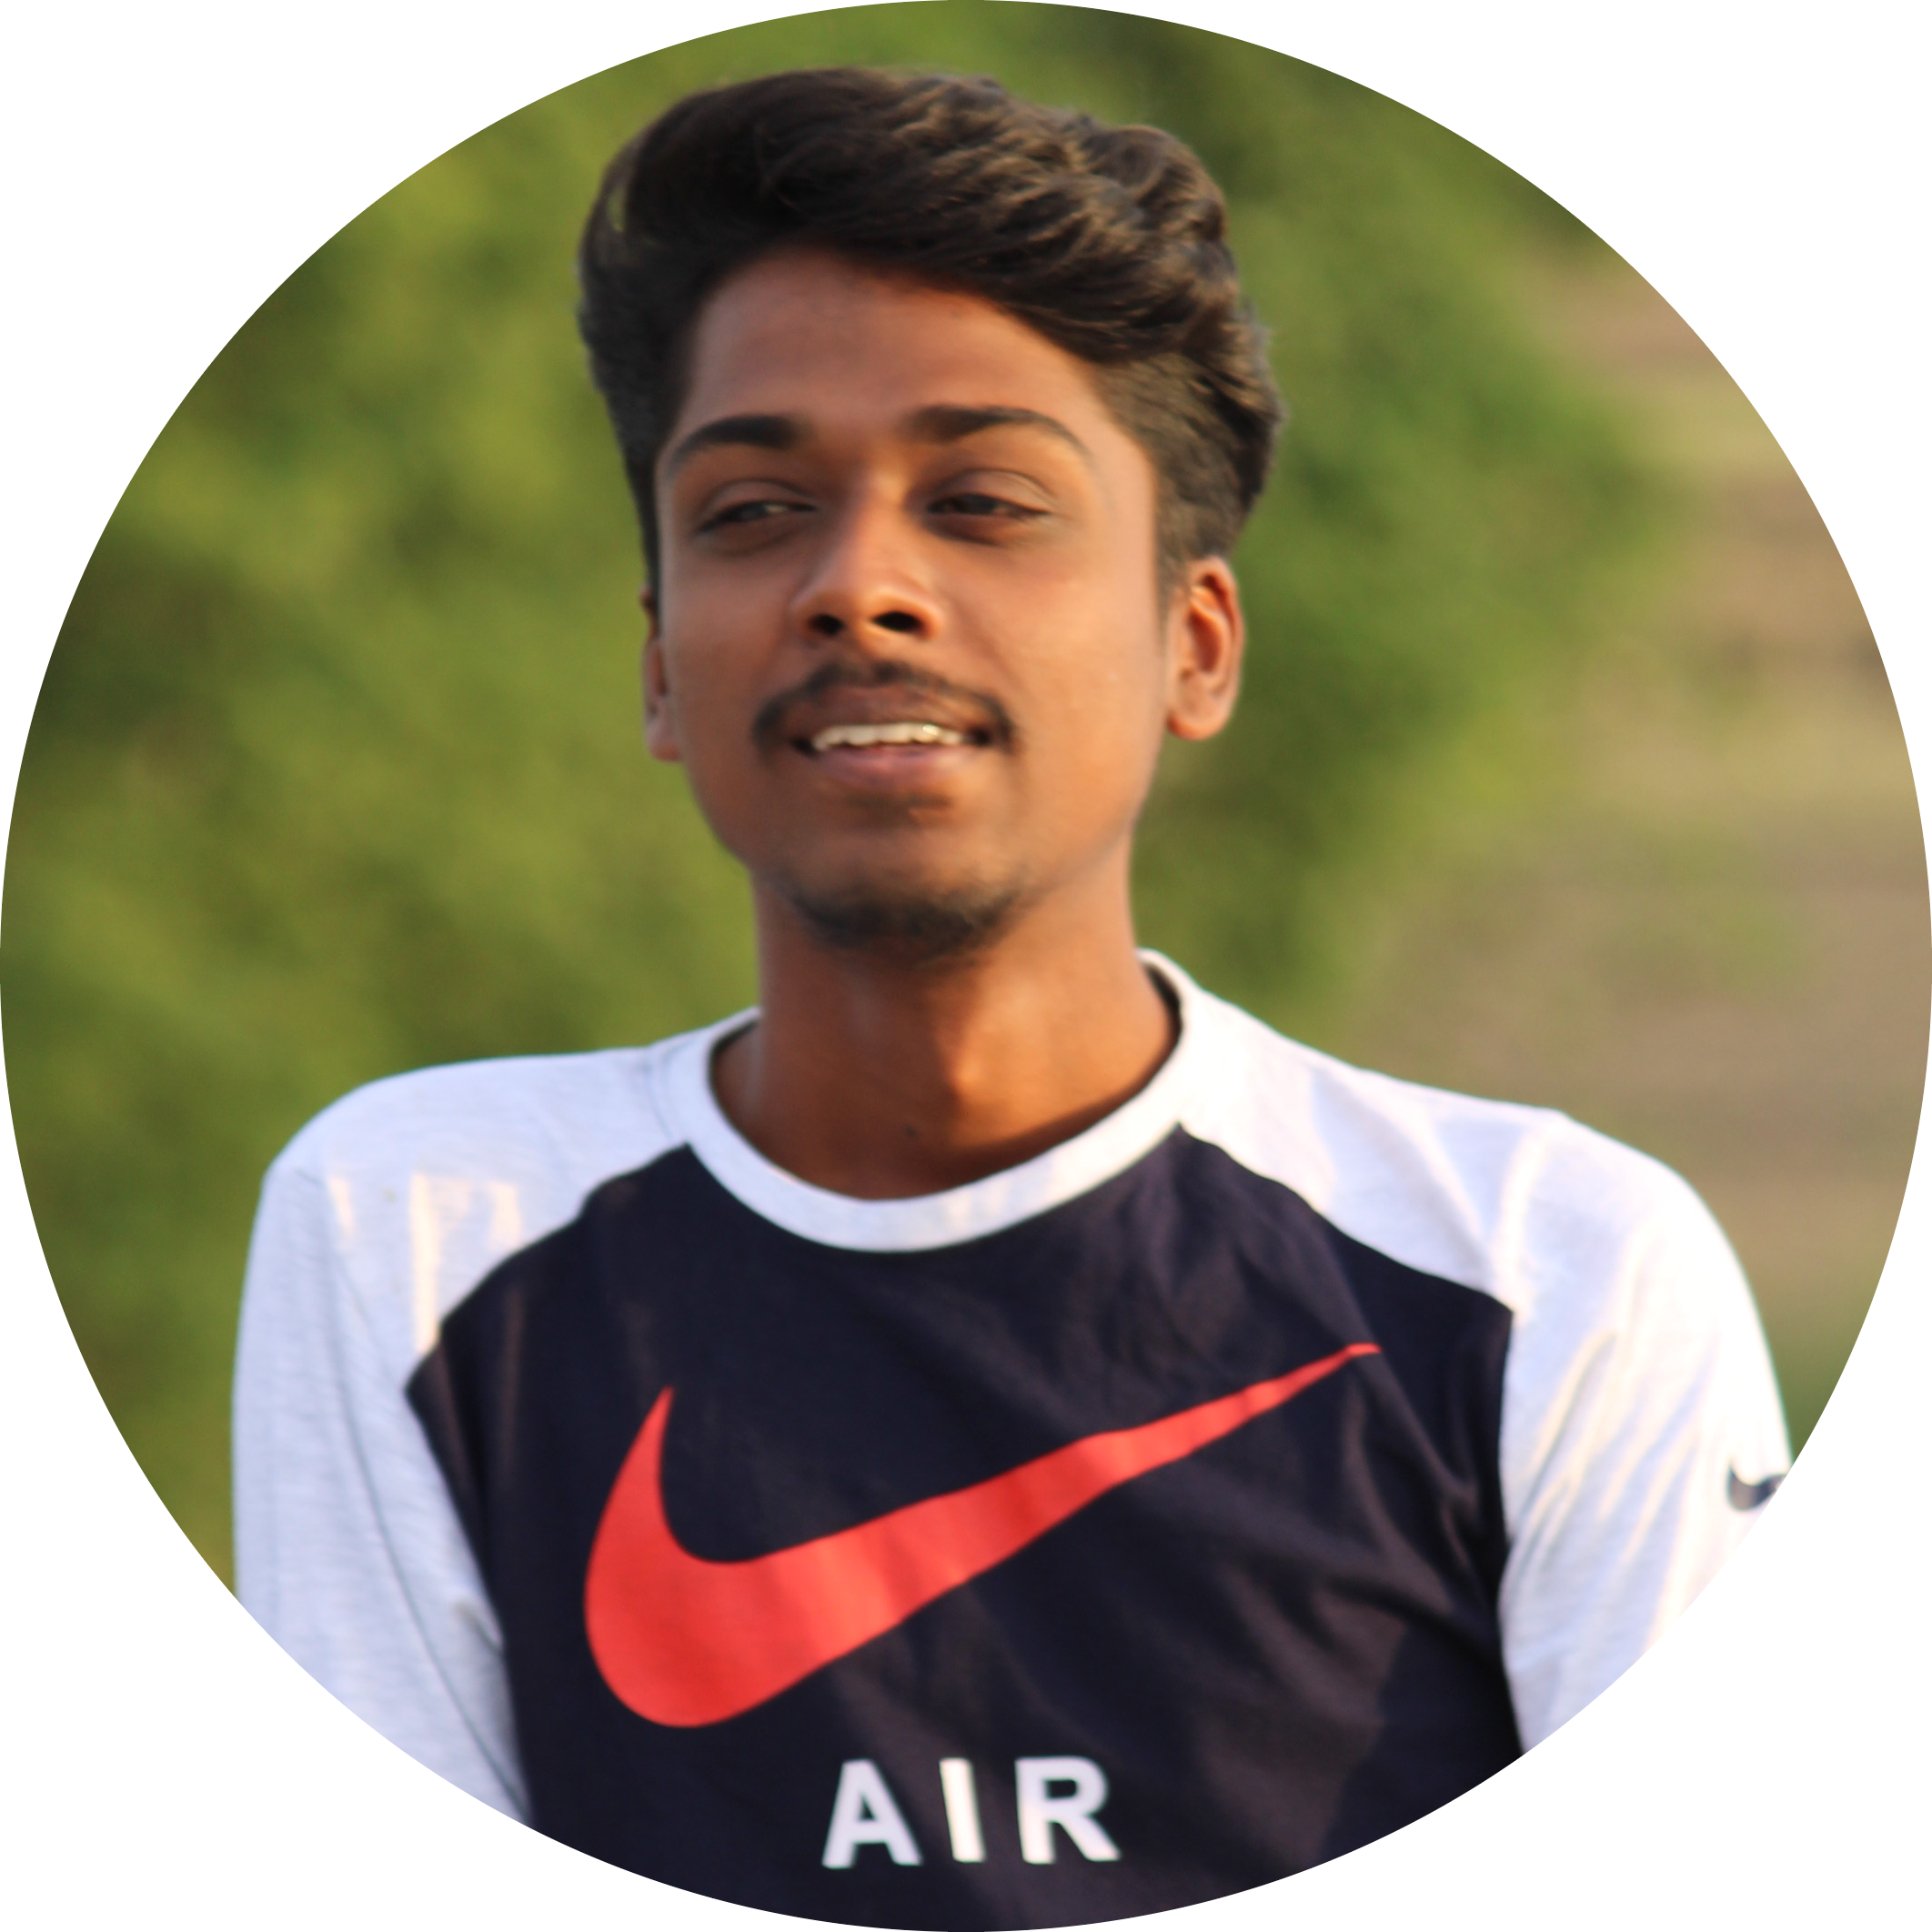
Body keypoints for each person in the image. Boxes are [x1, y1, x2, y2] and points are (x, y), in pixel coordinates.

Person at [233, 67, 1789, 1924]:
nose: (858, 587)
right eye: (750, 510)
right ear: (657, 668)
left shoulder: (1549, 1278)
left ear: (1193, 645)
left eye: (983, 501)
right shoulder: (423, 1228)